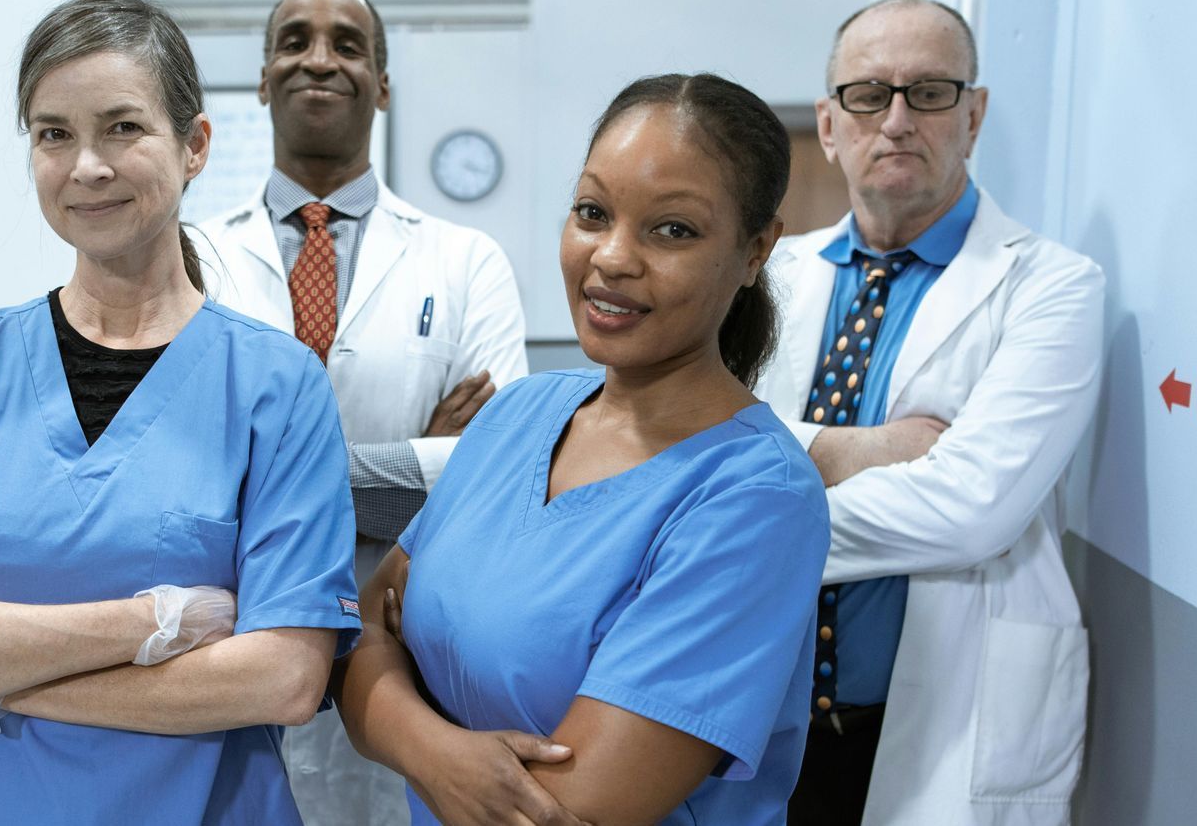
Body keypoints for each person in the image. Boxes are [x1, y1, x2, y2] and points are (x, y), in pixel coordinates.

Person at [0, 0, 362, 824]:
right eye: (53, 134)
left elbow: (281, 677)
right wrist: (154, 622)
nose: (86, 165)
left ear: (194, 144)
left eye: (122, 127)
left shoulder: (274, 387)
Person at [338, 74, 832, 826]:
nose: (612, 258)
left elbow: (566, 811)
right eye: (593, 212)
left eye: (674, 230)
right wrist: (444, 759)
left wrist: (399, 713)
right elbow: (360, 635)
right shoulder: (521, 414)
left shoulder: (754, 497)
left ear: (757, 248)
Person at [193, 0, 529, 824]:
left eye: (348, 44)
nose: (320, 59)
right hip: (235, 639)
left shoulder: (465, 260)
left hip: (411, 641)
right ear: (264, 78)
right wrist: (415, 457)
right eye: (295, 40)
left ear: (381, 84)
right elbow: (183, 472)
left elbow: (500, 475)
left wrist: (272, 479)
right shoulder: (193, 258)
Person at [763, 0, 1102, 825]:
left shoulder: (1051, 286)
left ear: (974, 114)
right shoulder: (767, 278)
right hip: (760, 713)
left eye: (931, 92)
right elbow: (688, 443)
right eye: (869, 94)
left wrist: (738, 511)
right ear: (831, 123)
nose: (899, 119)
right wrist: (861, 450)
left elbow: (969, 510)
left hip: (937, 721)